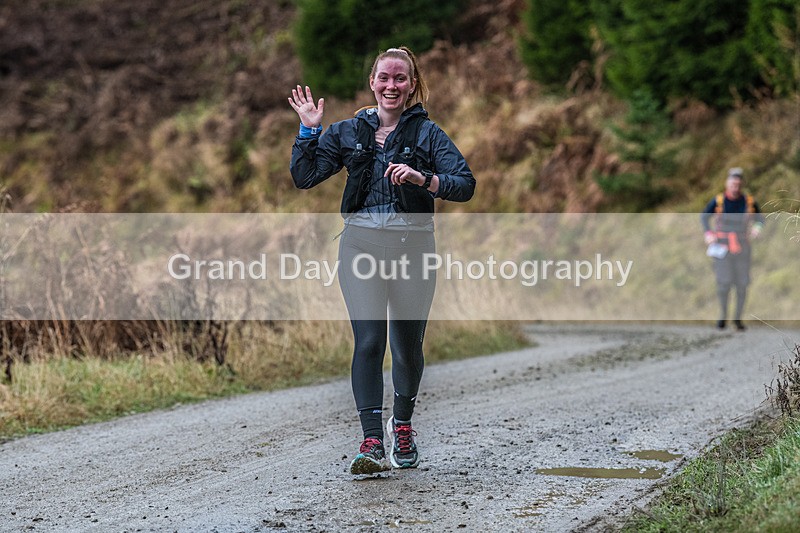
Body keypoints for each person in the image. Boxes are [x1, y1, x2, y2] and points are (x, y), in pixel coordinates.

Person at [288, 46, 475, 474]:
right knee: (369, 342)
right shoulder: (348, 132)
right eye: (384, 78)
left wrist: (424, 178)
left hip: (413, 250)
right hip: (360, 248)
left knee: (406, 349)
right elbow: (305, 176)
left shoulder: (428, 136)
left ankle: (402, 426)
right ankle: (372, 441)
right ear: (372, 82)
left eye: (400, 78)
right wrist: (308, 132)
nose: (392, 86)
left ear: (412, 85)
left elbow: (465, 184)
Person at [701, 167, 765, 331]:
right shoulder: (719, 201)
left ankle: (737, 318)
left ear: (741, 184)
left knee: (742, 284)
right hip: (722, 247)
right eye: (732, 183)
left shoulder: (749, 202)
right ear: (727, 184)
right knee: (724, 283)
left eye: (738, 184)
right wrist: (708, 233)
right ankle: (723, 315)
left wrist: (757, 228)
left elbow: (760, 219)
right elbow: (704, 217)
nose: (735, 187)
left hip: (743, 247)